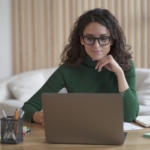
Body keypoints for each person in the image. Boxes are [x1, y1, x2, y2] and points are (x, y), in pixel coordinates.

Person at [22, 8, 139, 125]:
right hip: (78, 135)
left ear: (112, 40)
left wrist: (119, 73)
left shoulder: (125, 66)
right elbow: (27, 108)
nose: (96, 45)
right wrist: (43, 118)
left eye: (103, 38)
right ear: (81, 40)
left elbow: (130, 115)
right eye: (89, 38)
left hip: (115, 138)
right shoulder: (68, 70)